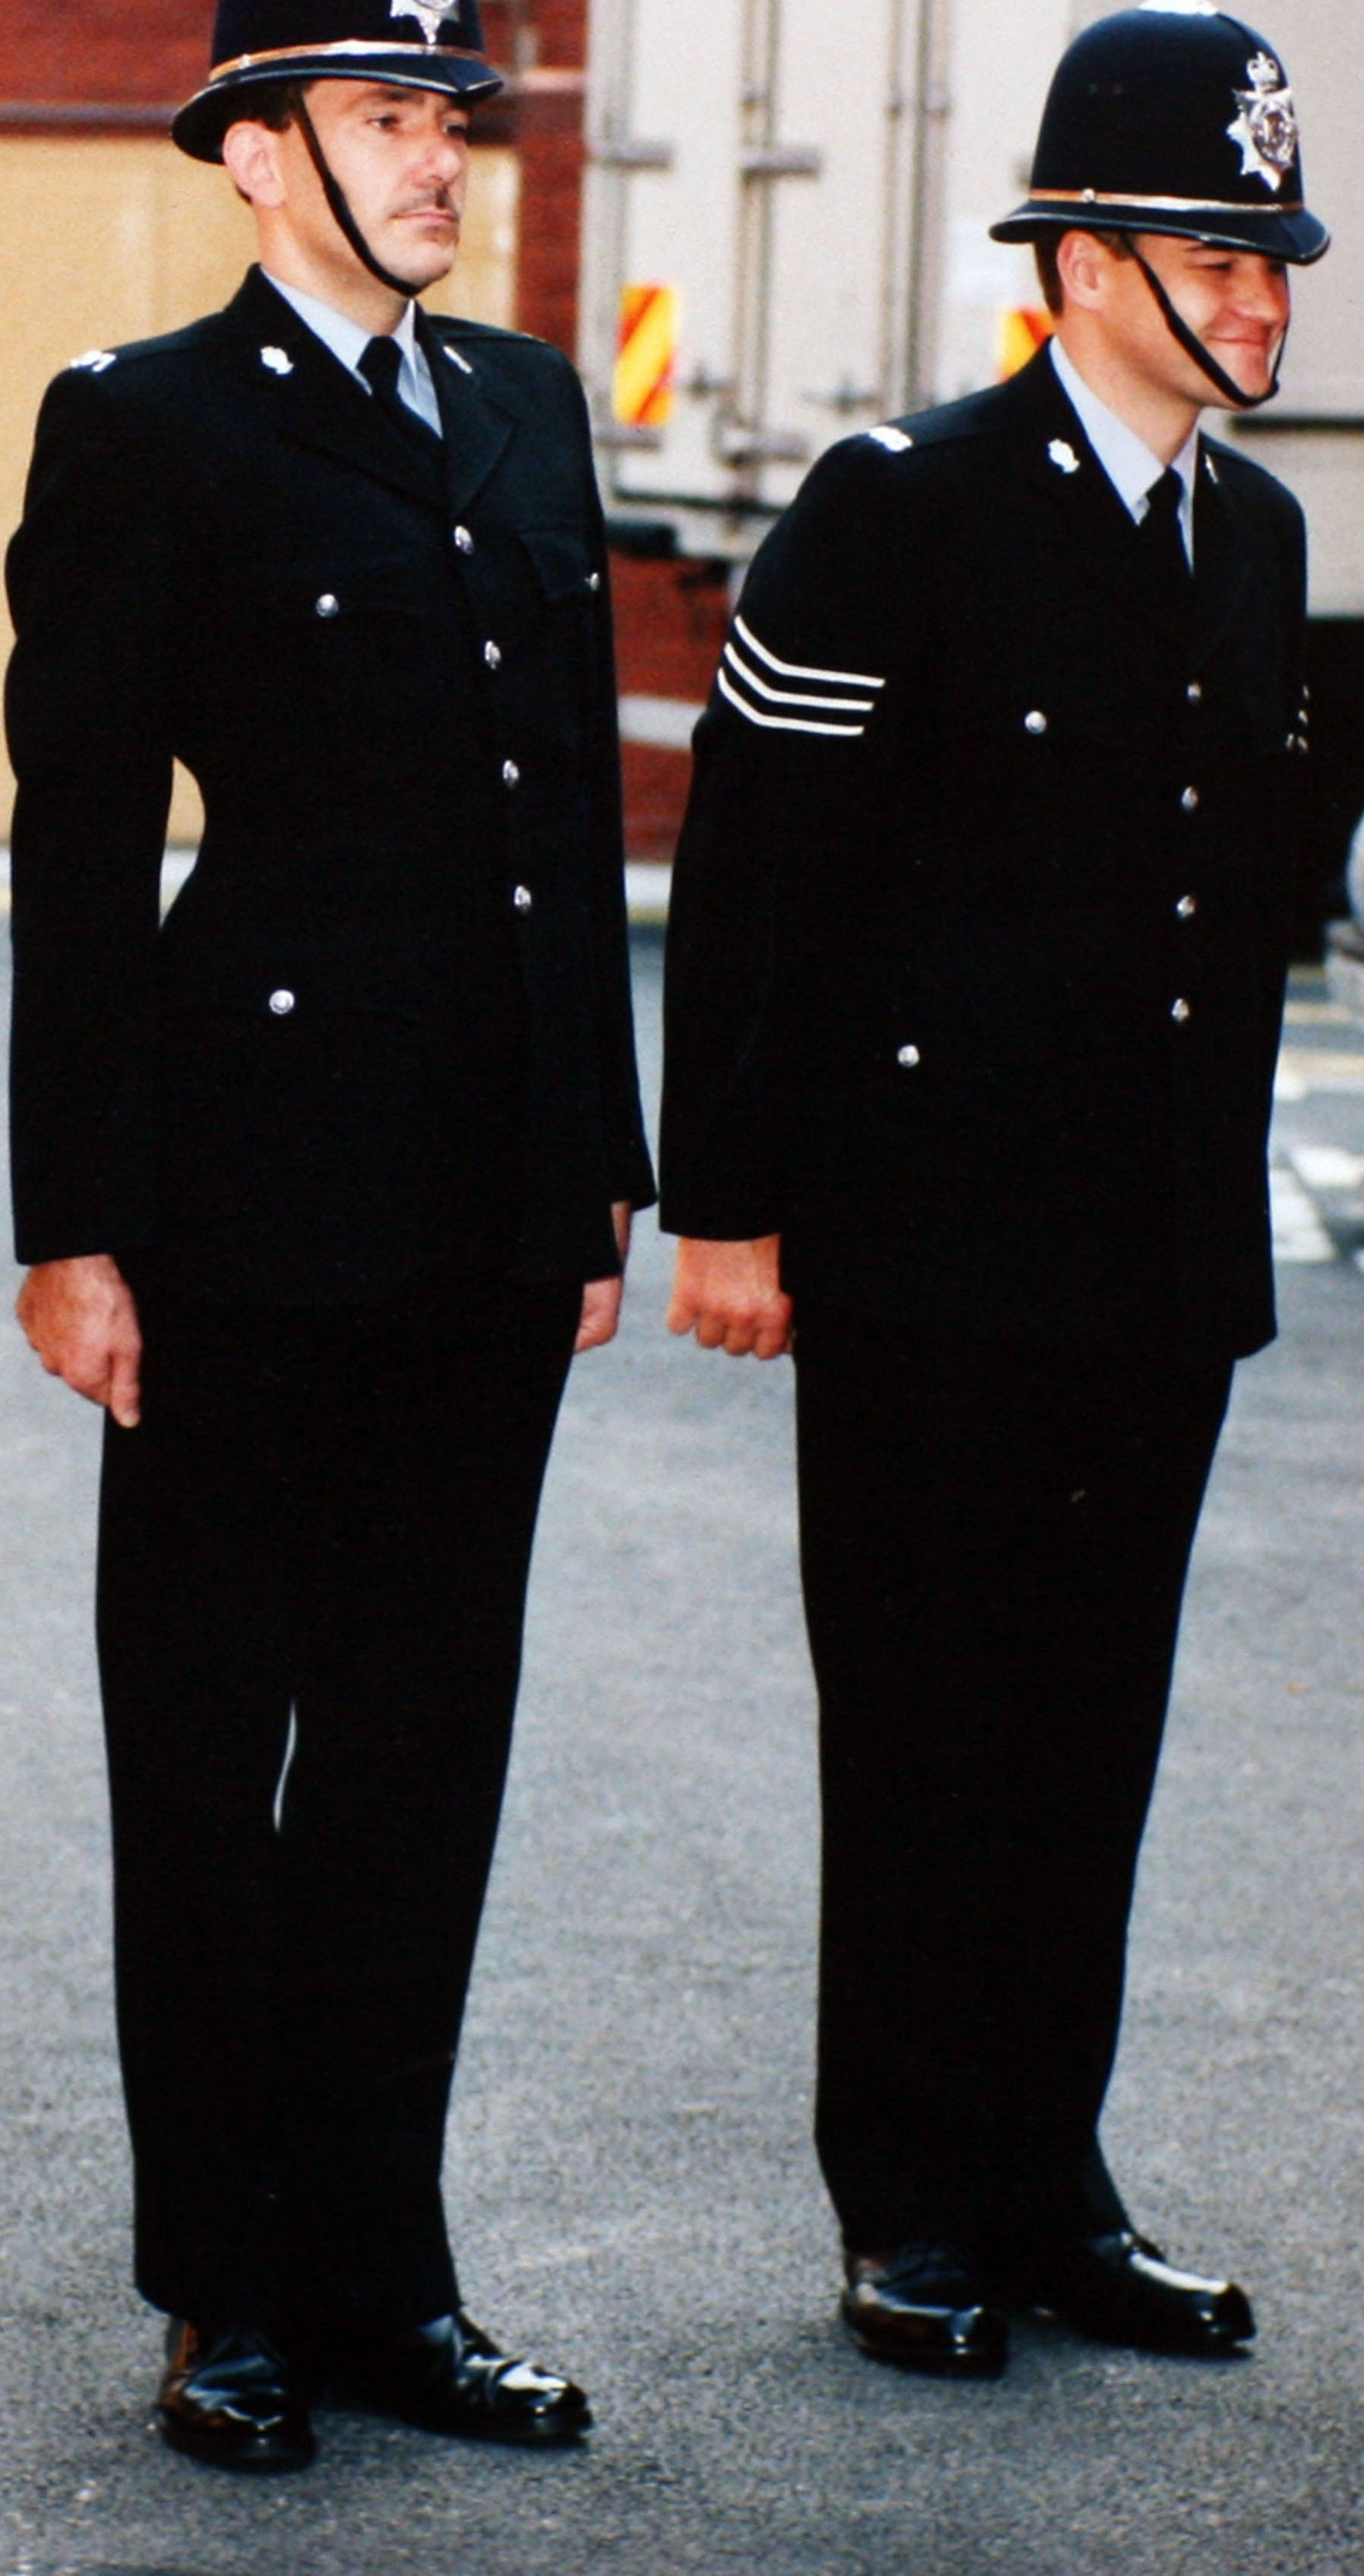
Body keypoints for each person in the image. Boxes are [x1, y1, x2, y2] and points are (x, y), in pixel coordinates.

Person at [6, 0, 652, 2473]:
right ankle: (227, 2294)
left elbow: (567, 815)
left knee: (419, 1757)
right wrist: (73, 1227)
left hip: (483, 1213)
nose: (440, 161)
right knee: (208, 1757)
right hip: (244, 1203)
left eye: (453, 118)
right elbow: (72, 851)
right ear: (258, 154)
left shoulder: (516, 409)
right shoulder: (147, 423)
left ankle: (386, 2273)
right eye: (389, 119)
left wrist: (596, 1162)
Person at [660, 4, 1324, 2377]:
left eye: (1279, 264)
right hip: (935, 1250)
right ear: (1081, 257)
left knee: (1093, 1737)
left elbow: (1224, 904)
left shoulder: (1256, 533)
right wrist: (719, 1205)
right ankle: (913, 2207)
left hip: (1152, 1261)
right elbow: (755, 871)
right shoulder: (901, 502)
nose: (1260, 304)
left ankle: (1054, 2183)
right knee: (929, 1733)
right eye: (1217, 257)